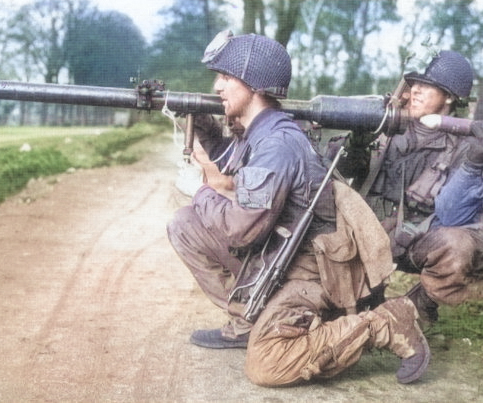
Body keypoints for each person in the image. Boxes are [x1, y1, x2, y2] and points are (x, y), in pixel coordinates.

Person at [166, 30, 430, 386]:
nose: (216, 86)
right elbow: (231, 161)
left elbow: (242, 229)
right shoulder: (260, 131)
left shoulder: (277, 144)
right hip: (281, 254)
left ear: (254, 84)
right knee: (185, 224)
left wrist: (200, 190)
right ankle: (249, 321)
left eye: (225, 77)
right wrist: (202, 122)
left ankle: (386, 322)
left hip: (311, 273)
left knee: (268, 365)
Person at [357, 50, 483, 326]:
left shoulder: (464, 147)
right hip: (367, 234)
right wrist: (358, 141)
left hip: (418, 241)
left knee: (457, 245)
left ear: (449, 96)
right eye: (415, 84)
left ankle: (418, 308)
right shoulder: (384, 125)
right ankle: (365, 296)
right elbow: (345, 173)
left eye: (427, 86)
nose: (416, 91)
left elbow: (451, 214)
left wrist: (474, 163)